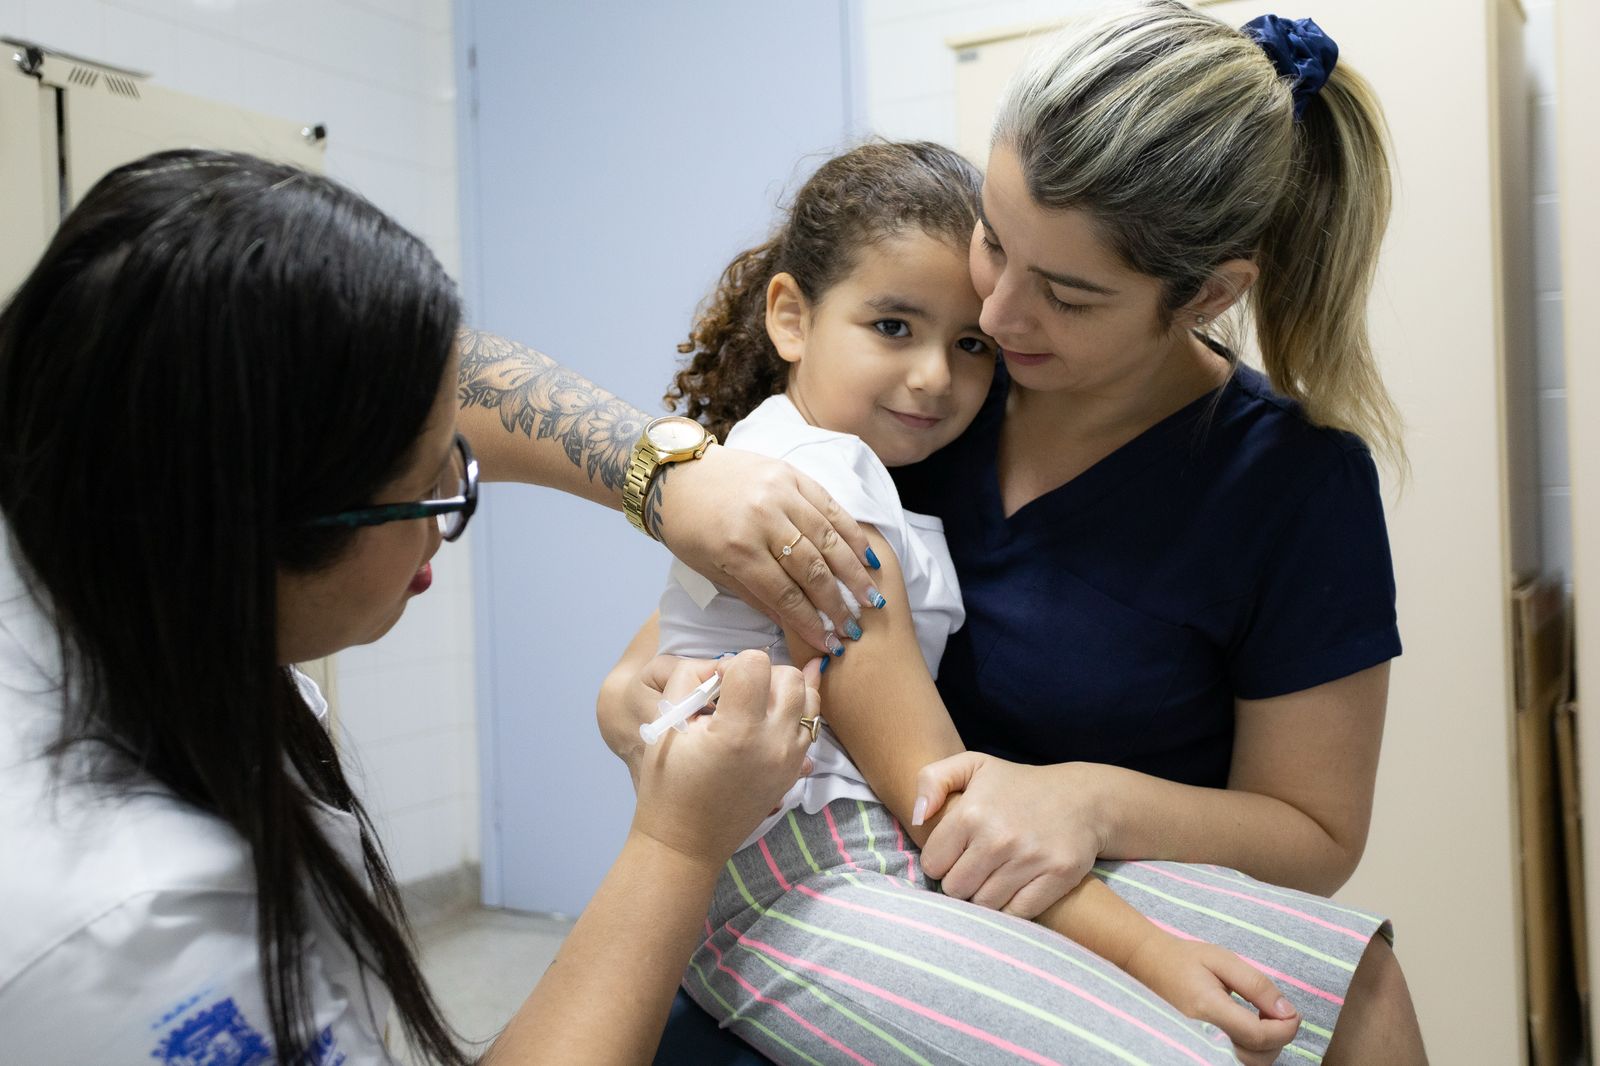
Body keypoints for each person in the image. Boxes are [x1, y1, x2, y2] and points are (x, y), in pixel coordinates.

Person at [600, 4, 1428, 1063]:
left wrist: (1089, 803)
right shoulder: (919, 396)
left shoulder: (1292, 483)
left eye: (1068, 296)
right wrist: (634, 693)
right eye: (994, 239)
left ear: (1208, 294)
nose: (994, 317)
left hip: (1055, 861)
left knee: (1361, 992)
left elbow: (1314, 834)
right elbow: (707, 634)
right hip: (882, 861)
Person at [0, 149, 880, 1065]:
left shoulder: (100, 486)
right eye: (425, 486)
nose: (452, 511)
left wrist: (666, 471)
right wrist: (680, 842)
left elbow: (432, 369)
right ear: (252, 526)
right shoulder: (136, 935)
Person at [645, 138, 1308, 1065]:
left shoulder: (800, 455)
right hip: (795, 874)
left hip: (855, 856)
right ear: (791, 317)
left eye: (969, 346)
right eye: (892, 327)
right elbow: (935, 797)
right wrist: (1153, 957)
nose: (934, 377)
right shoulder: (824, 497)